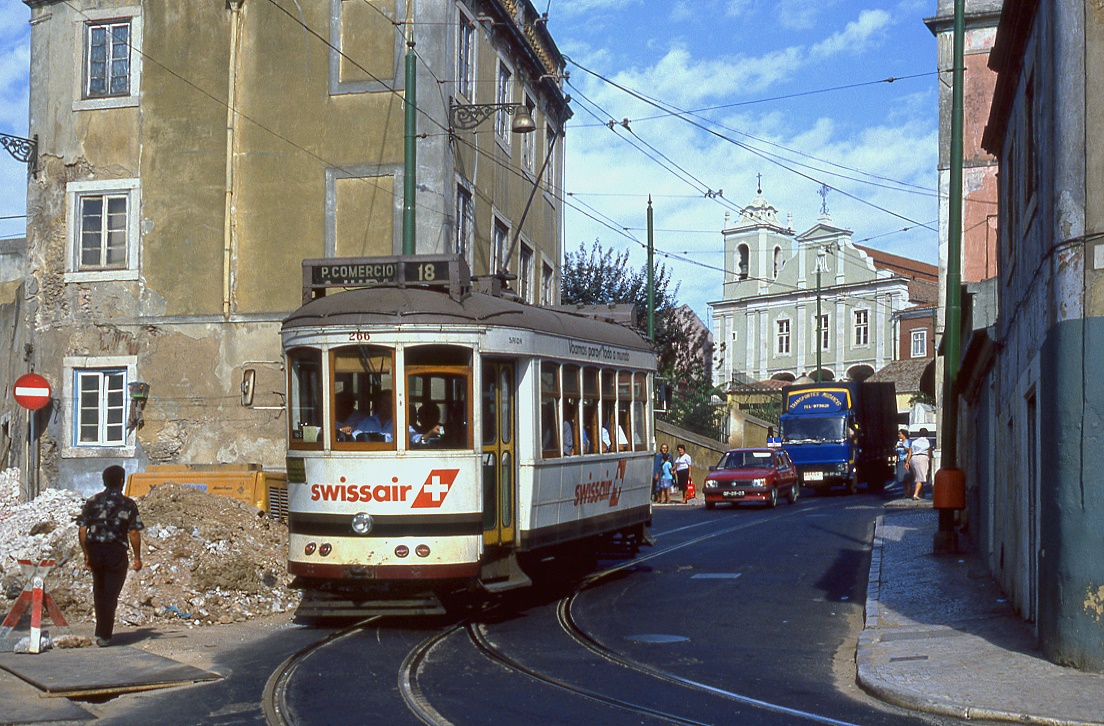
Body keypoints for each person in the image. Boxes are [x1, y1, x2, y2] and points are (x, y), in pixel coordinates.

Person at [76, 465, 144, 647]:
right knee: (111, 592)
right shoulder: (128, 504)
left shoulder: (92, 502)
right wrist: (137, 557)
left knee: (99, 590)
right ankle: (104, 635)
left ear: (104, 481)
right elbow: (134, 533)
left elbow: (82, 530)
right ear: (122, 481)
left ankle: (102, 632)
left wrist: (86, 555)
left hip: (95, 550)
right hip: (116, 552)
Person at [906, 427, 932, 500]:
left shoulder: (914, 442)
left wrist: (907, 462)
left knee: (918, 476)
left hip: (913, 459)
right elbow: (929, 452)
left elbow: (910, 452)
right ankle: (915, 494)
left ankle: (922, 492)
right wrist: (930, 461)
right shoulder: (928, 442)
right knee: (921, 478)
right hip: (923, 458)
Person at [894, 429, 911, 496]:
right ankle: (905, 493)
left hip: (907, 461)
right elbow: (896, 451)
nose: (899, 435)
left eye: (900, 434)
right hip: (900, 461)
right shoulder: (898, 442)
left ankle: (909, 491)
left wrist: (903, 447)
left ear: (904, 434)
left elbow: (910, 450)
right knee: (902, 478)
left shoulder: (909, 442)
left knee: (908, 477)